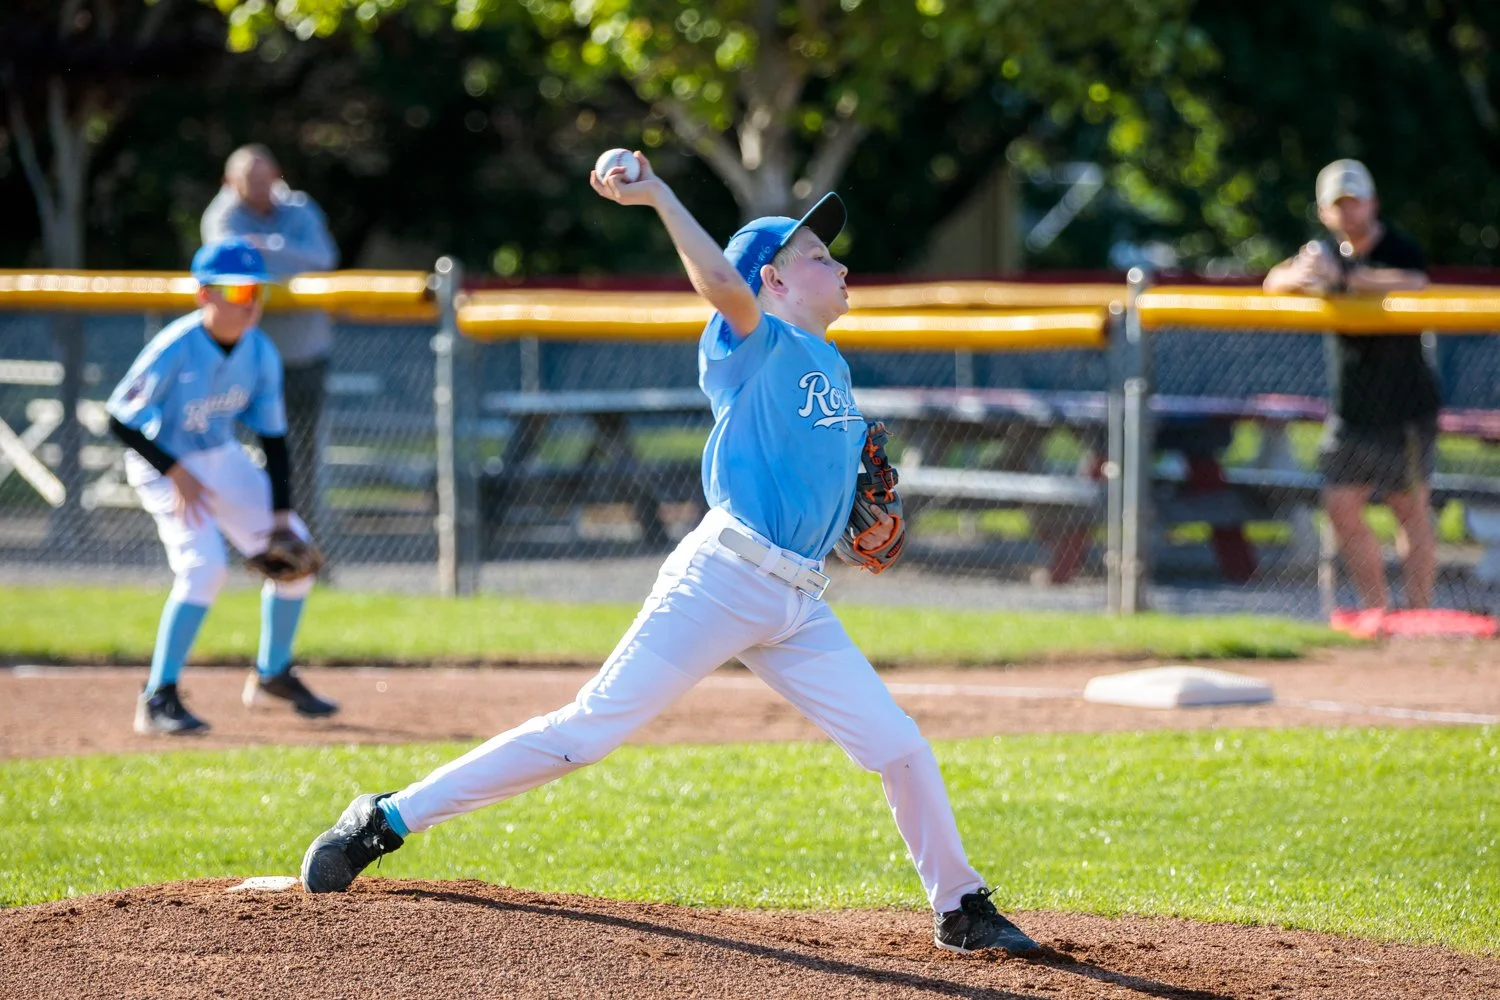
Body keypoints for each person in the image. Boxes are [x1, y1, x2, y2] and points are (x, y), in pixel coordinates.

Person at [299, 152, 1040, 956]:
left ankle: (960, 907)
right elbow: (722, 284)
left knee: (898, 745)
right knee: (584, 734)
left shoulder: (830, 363)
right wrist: (656, 195)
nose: (841, 263)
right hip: (721, 578)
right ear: (774, 283)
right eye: (818, 257)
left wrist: (848, 527)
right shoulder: (752, 341)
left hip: (797, 599)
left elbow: (827, 493)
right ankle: (385, 818)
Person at [107, 239, 338, 735]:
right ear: (204, 295)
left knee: (296, 554)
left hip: (218, 456)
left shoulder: (260, 351)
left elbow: (274, 440)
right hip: (161, 464)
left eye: (256, 289)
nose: (249, 299)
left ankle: (272, 674)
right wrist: (174, 471)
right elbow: (120, 419)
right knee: (204, 567)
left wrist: (278, 517)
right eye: (236, 288)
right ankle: (157, 697)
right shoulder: (176, 345)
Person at [1263, 158, 1439, 609]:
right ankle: (1377, 612)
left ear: (1373, 204)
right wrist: (1302, 274)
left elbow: (1415, 282)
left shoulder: (1396, 248)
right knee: (1341, 507)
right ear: (1324, 212)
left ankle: (1417, 615)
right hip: (1353, 408)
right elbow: (1272, 281)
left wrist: (1345, 279)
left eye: (1355, 202)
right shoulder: (1324, 251)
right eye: (1338, 205)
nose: (1348, 212)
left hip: (1405, 407)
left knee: (1409, 510)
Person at [202, 145, 338, 543]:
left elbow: (324, 258)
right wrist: (283, 258)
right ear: (230, 183)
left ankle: (303, 547)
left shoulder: (300, 209)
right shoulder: (222, 214)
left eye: (266, 178)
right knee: (228, 457)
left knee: (301, 460)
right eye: (250, 181)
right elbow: (228, 265)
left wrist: (261, 247)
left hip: (301, 357)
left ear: (278, 175)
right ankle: (240, 547)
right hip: (240, 361)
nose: (260, 188)